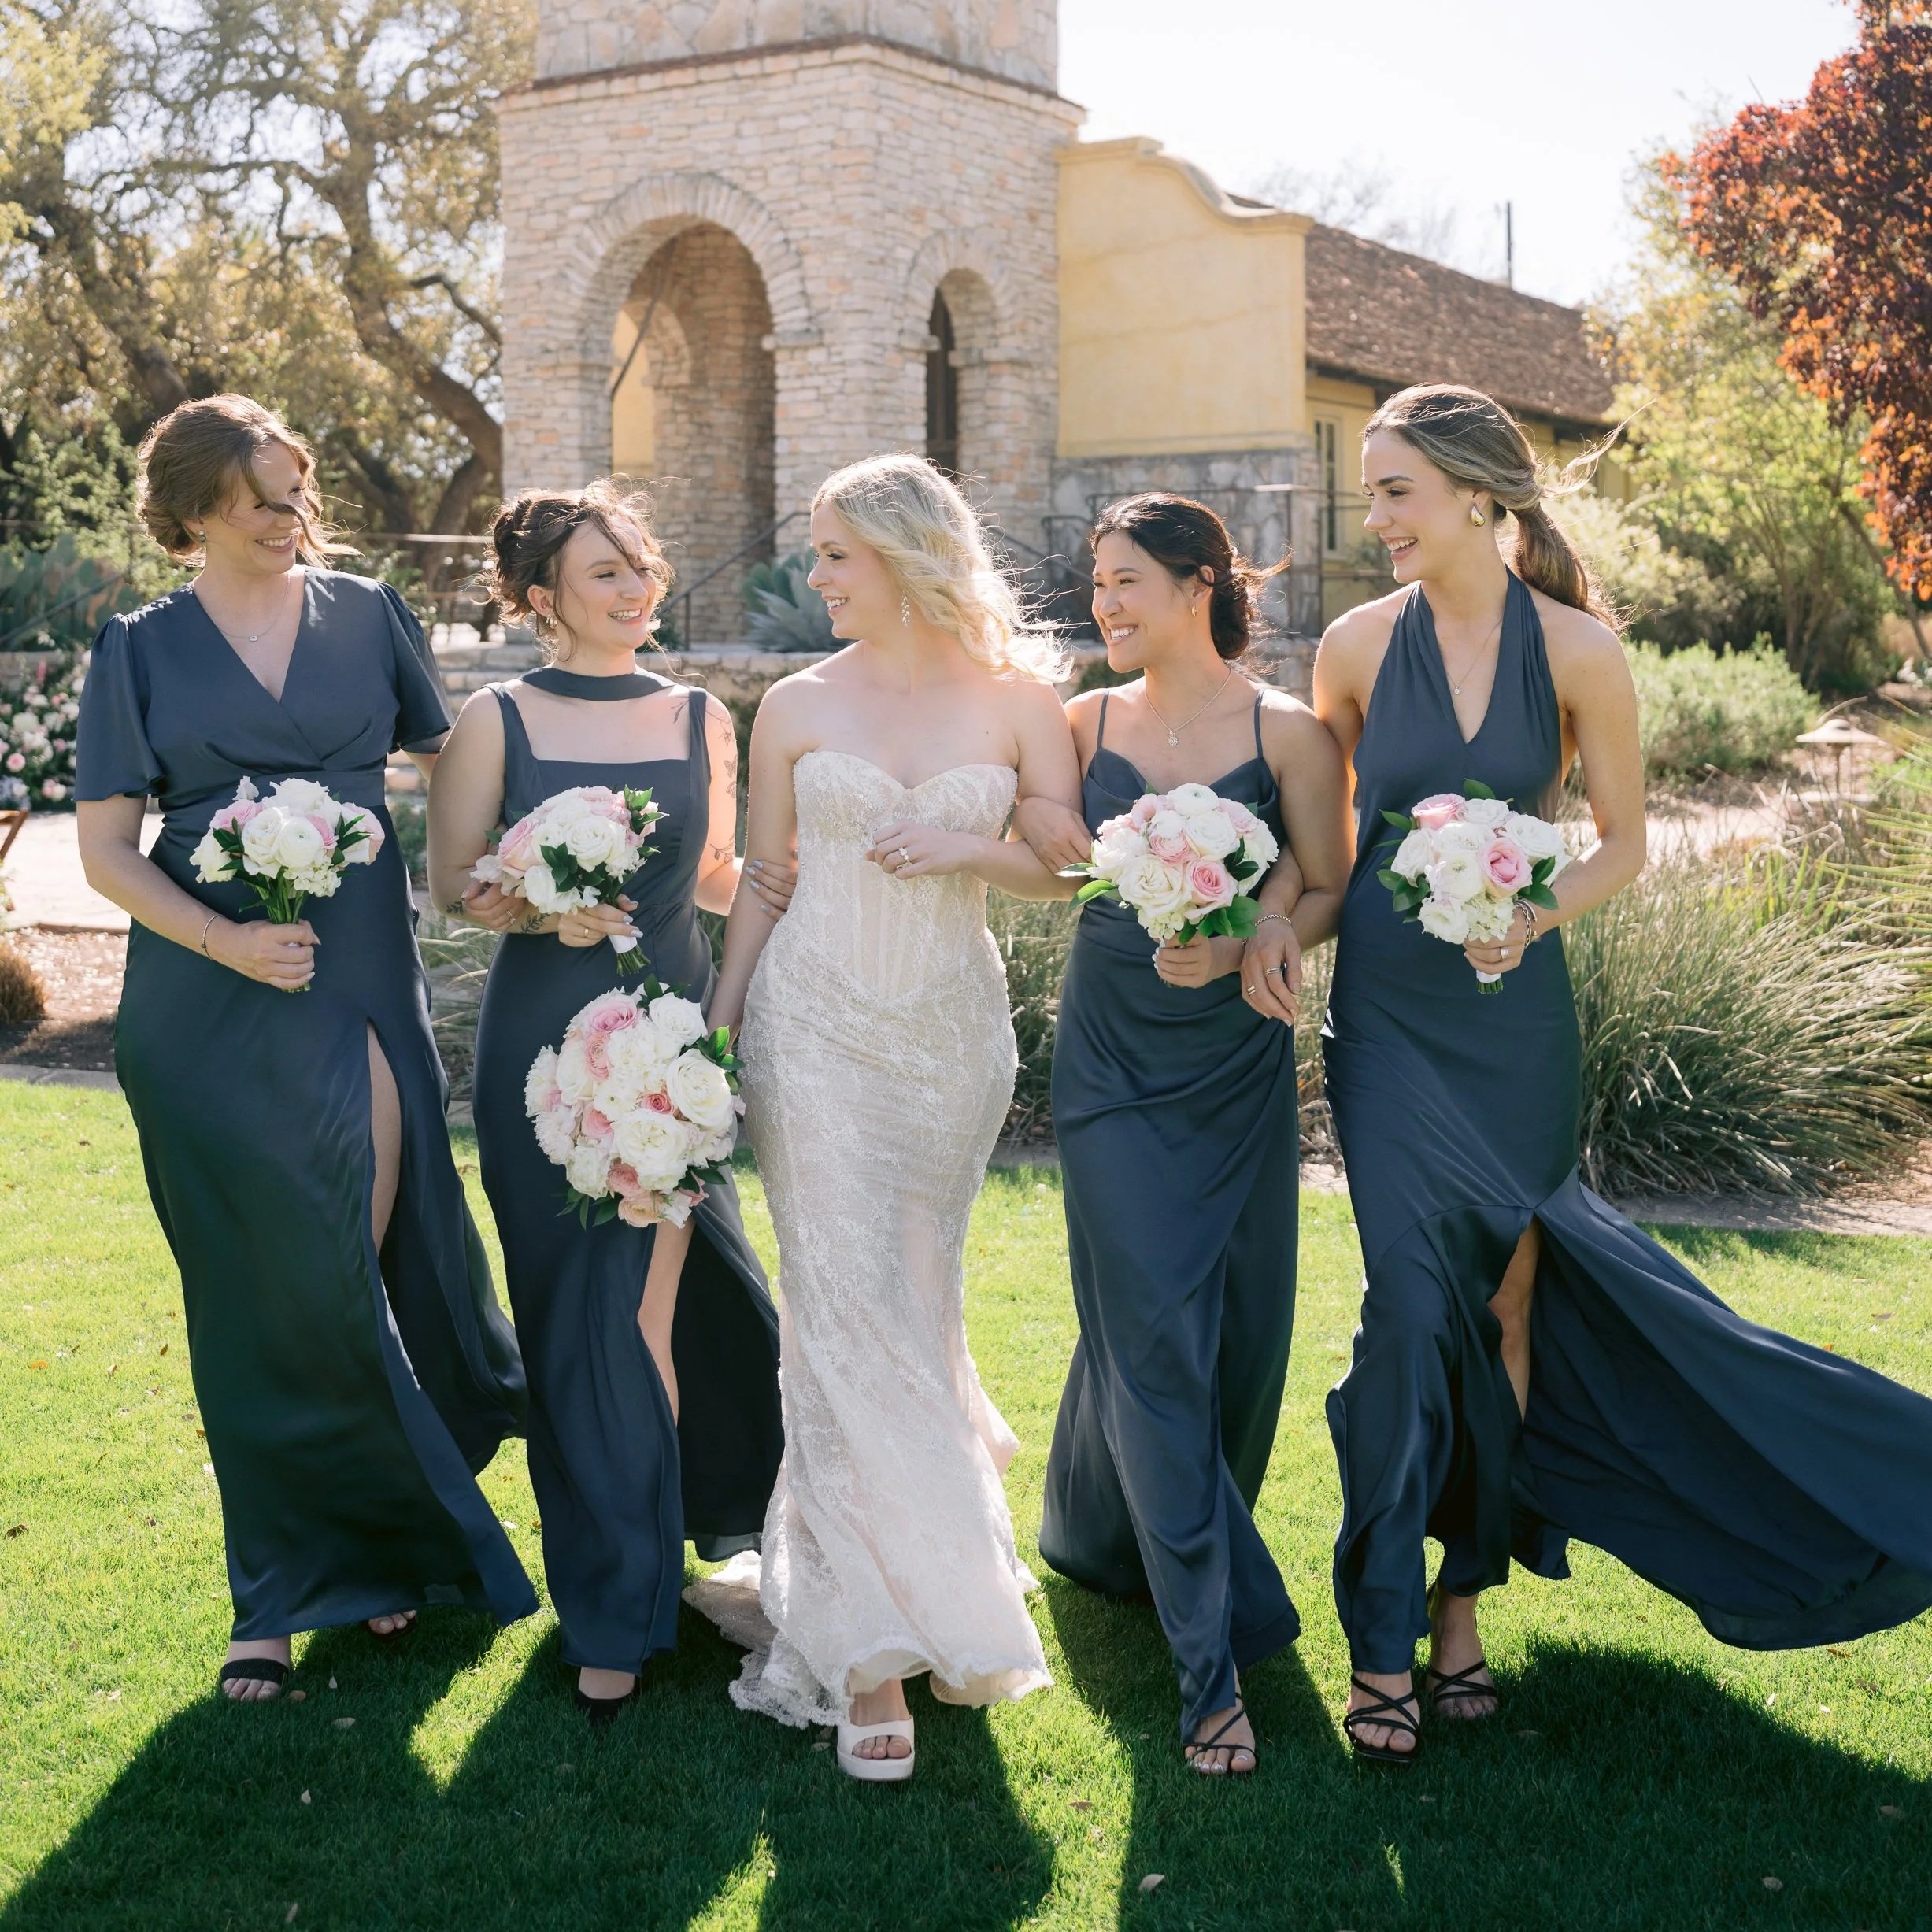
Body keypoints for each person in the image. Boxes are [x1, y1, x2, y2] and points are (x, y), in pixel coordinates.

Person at [1314, 382, 1932, 1764]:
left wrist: (1531, 911)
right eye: (1373, 488)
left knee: (1511, 1311)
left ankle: (1459, 1605)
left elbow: (1622, 843)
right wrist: (1246, 936)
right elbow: (1335, 842)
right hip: (1390, 1019)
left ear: (1479, 495)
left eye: (1395, 488)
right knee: (1413, 1312)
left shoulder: (1581, 650)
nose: (1377, 517)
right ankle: (1374, 1638)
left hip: (1513, 1017)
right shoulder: (1352, 647)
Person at [74, 394, 535, 1702]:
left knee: (347, 1262)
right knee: (248, 1293)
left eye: (297, 491)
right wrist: (228, 945)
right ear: (198, 508)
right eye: (262, 498)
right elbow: (108, 849)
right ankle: (274, 1593)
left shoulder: (370, 613)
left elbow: (456, 758)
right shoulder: (139, 648)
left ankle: (376, 1543)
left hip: (357, 977)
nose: (291, 518)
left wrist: (507, 861)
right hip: (202, 1000)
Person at [694, 454, 1079, 1781]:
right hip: (812, 1035)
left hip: (947, 1044)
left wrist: (970, 847)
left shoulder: (1023, 702)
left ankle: (908, 1573)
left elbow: (1066, 864)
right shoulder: (794, 703)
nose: (816, 577)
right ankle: (867, 1657)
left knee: (914, 1308)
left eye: (836, 555)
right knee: (842, 1310)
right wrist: (721, 1024)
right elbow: (764, 877)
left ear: (910, 555)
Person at [427, 482, 790, 1721]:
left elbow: (720, 871)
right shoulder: (496, 716)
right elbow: (454, 887)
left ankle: (627, 1598)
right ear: (538, 599)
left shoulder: (700, 716)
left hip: (672, 1046)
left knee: (640, 1318)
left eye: (641, 564)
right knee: (570, 1312)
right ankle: (617, 1587)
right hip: (542, 1053)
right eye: (603, 573)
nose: (636, 589)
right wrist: (537, 901)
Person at [1009, 494, 1349, 1775]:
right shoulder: (1077, 723)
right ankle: (1209, 1669)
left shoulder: (1293, 735)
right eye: (1094, 584)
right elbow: (1044, 857)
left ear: (1200, 582)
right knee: (1148, 1330)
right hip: (1106, 1061)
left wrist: (1267, 932)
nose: (1102, 604)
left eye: (1123, 581)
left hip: (1232, 1065)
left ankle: (1114, 1535)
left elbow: (1323, 881)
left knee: (1235, 1339)